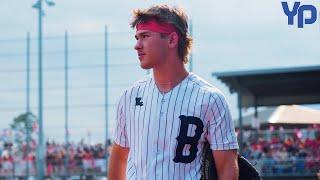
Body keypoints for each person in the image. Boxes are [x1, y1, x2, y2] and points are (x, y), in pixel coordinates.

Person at [108, 4, 239, 180]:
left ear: (171, 40)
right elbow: (119, 158)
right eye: (137, 37)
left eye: (145, 36)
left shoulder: (211, 99)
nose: (137, 45)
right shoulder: (130, 96)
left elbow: (227, 169)